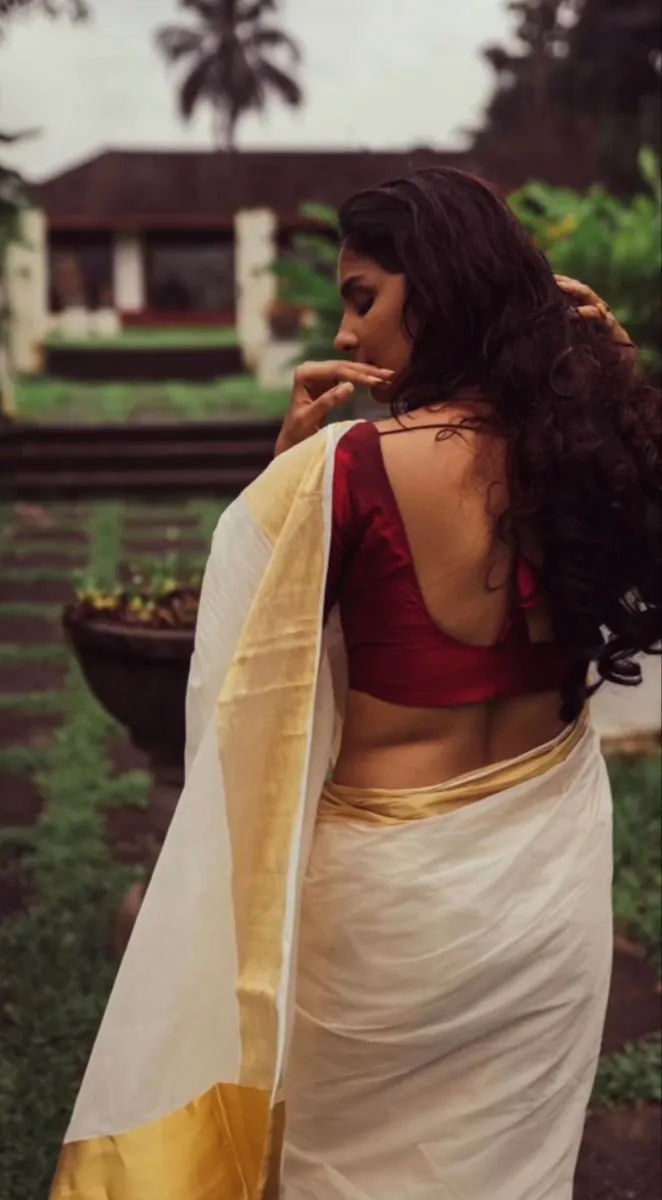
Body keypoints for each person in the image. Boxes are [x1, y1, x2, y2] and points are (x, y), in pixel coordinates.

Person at [50, 169, 660, 1200]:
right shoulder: (600, 452)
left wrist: (279, 473)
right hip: (544, 894)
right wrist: (618, 378)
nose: (346, 329)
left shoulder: (349, 466)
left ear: (437, 288)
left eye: (361, 294)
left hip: (387, 910)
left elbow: (239, 664)